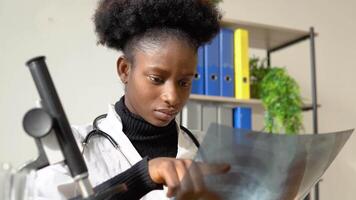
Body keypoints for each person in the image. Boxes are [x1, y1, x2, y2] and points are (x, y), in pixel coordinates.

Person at [31, 0, 228, 199]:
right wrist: (143, 176)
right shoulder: (75, 147)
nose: (172, 97)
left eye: (184, 82)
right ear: (125, 70)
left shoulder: (209, 148)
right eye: (156, 79)